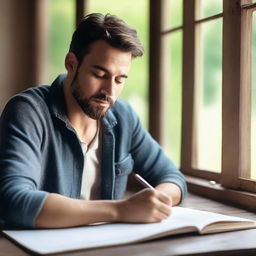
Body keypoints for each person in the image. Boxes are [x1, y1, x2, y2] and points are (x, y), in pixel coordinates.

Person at [0, 13, 187, 228]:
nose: (110, 92)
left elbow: (173, 178)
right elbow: (13, 200)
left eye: (119, 80)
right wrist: (122, 210)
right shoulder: (28, 111)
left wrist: (155, 203)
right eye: (99, 75)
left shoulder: (124, 116)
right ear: (71, 64)